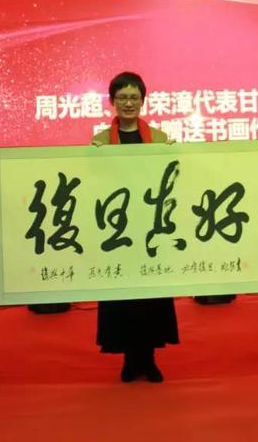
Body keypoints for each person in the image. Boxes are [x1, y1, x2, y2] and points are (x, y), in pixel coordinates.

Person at [92, 71, 179, 383]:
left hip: (151, 228)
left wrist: (175, 155)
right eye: (122, 98)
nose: (128, 103)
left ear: (142, 101)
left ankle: (149, 358)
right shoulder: (100, 141)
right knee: (124, 295)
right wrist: (91, 160)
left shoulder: (159, 138)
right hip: (117, 231)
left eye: (133, 97)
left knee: (151, 294)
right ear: (112, 101)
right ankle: (130, 359)